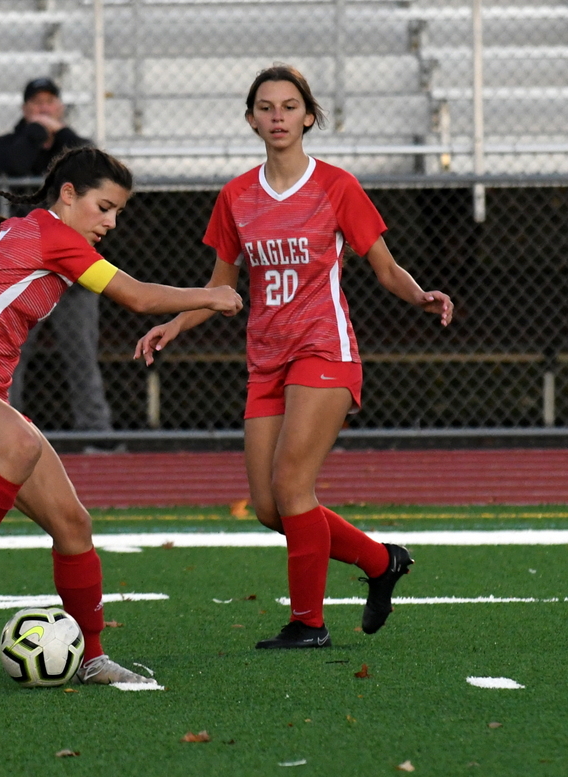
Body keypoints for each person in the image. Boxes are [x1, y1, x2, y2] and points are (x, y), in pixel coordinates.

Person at [135, 65, 454, 650]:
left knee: (292, 487)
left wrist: (420, 295)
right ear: (251, 118)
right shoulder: (235, 196)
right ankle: (381, 562)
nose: (277, 116)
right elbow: (221, 288)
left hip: (324, 350)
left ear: (308, 116)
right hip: (266, 358)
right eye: (266, 107)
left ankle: (308, 624)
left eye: (289, 106)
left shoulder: (337, 186)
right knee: (267, 506)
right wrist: (176, 323)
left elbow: (384, 268)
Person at [0, 147, 244, 684]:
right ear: (68, 194)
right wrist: (212, 295)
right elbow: (134, 296)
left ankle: (91, 658)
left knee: (74, 526)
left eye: (118, 213)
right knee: (20, 445)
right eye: (104, 207)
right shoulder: (53, 237)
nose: (111, 222)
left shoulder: (12, 230)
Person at [0, 78, 111, 432]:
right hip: (22, 269)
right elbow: (13, 164)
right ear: (25, 110)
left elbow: (93, 166)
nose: (43, 109)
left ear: (60, 108)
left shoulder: (75, 143)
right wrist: (34, 135)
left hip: (72, 268)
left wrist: (62, 134)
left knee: (82, 356)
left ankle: (96, 434)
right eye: (36, 104)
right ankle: (5, 432)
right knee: (11, 357)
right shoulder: (5, 144)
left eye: (50, 103)